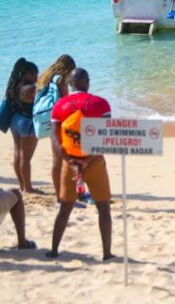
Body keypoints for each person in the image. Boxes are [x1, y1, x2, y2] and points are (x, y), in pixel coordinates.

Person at [46, 68, 114, 260]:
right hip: (94, 161)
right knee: (103, 207)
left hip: (70, 162)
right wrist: (86, 161)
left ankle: (54, 250)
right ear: (87, 81)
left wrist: (71, 161)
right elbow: (104, 138)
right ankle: (107, 253)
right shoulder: (100, 104)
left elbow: (55, 140)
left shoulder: (59, 105)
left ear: (69, 84)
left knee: (65, 208)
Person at [33, 54, 76, 193]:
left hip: (50, 121)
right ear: (68, 69)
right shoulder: (60, 81)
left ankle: (59, 192)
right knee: (64, 160)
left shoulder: (45, 78)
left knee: (56, 161)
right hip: (61, 123)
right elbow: (66, 102)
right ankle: (65, 192)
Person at [4, 58, 41, 193]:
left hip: (15, 120)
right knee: (26, 157)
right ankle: (28, 188)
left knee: (18, 154)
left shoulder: (14, 85)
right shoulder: (31, 88)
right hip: (27, 122)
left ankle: (22, 185)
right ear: (29, 73)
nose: (36, 77)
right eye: (35, 74)